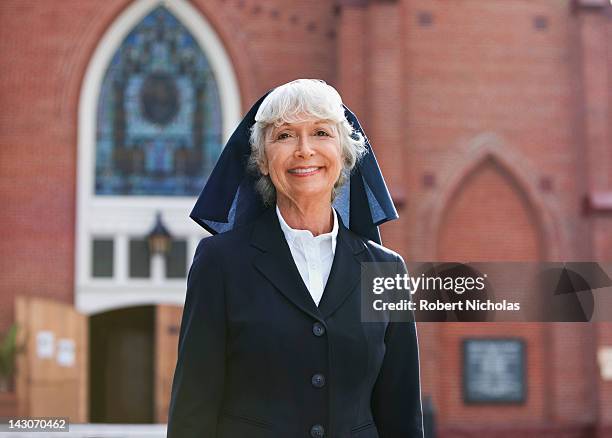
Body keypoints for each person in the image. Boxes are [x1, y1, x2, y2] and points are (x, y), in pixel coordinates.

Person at [167, 79, 424, 438]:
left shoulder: (385, 270)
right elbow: (193, 412)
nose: (304, 150)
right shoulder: (220, 263)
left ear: (345, 154)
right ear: (262, 159)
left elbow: (402, 414)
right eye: (285, 136)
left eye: (321, 132)